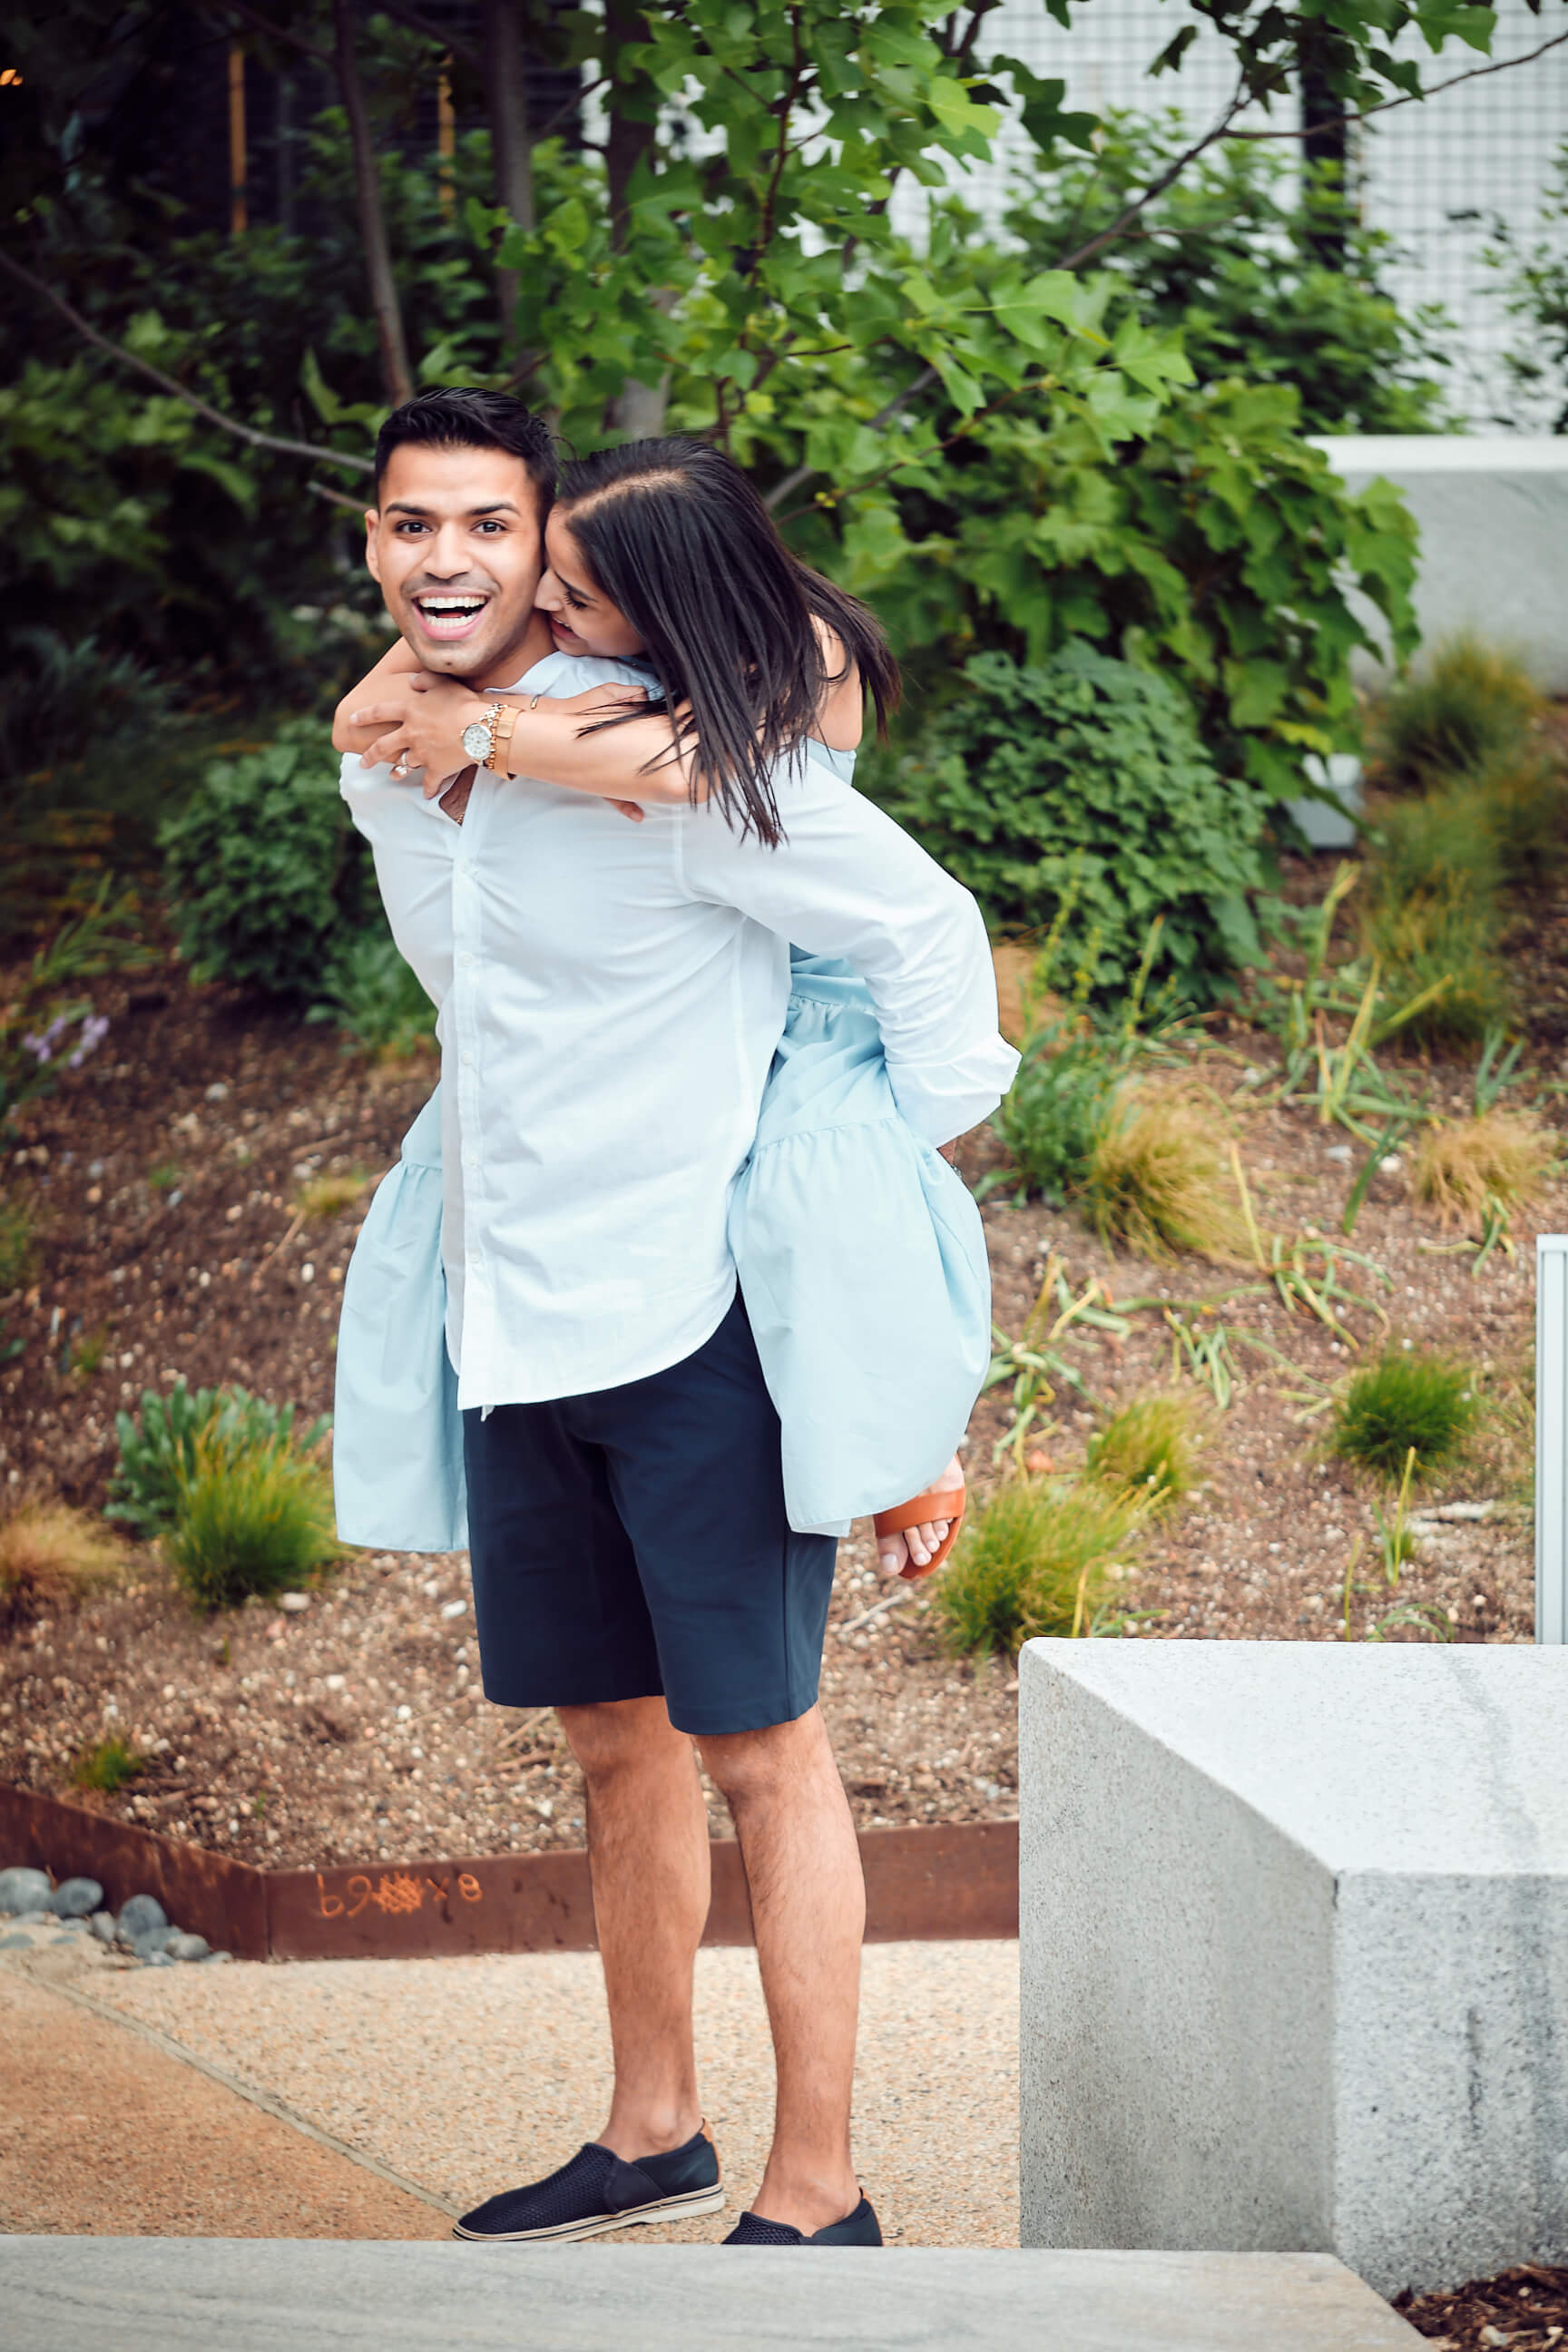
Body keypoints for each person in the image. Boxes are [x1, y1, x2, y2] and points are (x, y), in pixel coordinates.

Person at [333, 389, 1016, 2248]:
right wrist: (461, 730)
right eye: (418, 526)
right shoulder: (393, 749)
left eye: (504, 535)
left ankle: (824, 2187)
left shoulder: (688, 772)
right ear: (374, 543)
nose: (458, 562)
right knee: (611, 1745)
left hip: (692, 1329)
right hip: (516, 1332)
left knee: (764, 1751)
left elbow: (928, 927)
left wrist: (898, 1147)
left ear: (567, 571)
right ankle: (653, 2129)